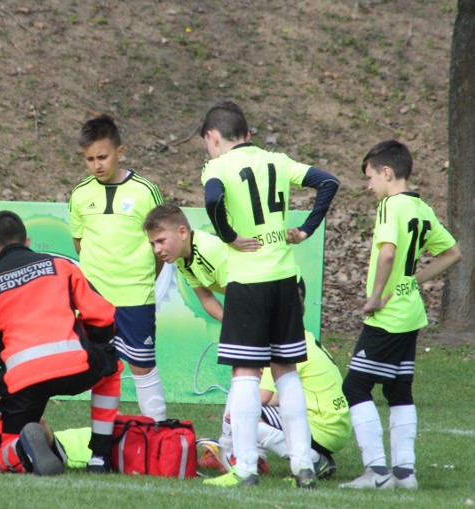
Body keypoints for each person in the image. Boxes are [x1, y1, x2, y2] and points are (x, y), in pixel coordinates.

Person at [144, 204, 349, 479]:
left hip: (280, 287)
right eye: (152, 244)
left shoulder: (210, 250)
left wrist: (247, 330)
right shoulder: (183, 259)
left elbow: (249, 284)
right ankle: (245, 454)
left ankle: (253, 456)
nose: (157, 249)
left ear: (182, 232)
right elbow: (206, 299)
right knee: (247, 374)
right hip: (254, 295)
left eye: (160, 241)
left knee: (256, 372)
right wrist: (234, 325)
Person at [197, 101, 339, 488]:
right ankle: (303, 465)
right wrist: (306, 229)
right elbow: (328, 182)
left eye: (208, 144)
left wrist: (228, 237)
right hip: (285, 280)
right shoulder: (277, 160)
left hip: (249, 281)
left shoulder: (218, 166)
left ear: (214, 138)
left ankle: (243, 469)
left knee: (245, 372)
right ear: (246, 133)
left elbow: (212, 199)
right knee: (286, 371)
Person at [339, 140, 462, 490]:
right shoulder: (421, 208)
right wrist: (414, 281)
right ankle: (405, 475)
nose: (368, 186)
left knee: (355, 387)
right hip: (411, 313)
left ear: (387, 173)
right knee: (398, 390)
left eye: (370, 177)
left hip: (389, 315)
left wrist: (375, 297)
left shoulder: (390, 206)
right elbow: (453, 252)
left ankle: (377, 474)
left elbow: (389, 254)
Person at [0, 211, 122, 475]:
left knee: (4, 448)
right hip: (74, 366)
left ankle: (19, 450)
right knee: (112, 368)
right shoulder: (61, 266)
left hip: (21, 383)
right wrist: (92, 345)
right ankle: (99, 456)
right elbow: (103, 317)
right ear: (27, 241)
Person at [68, 114, 167, 423]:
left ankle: (161, 430)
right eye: (90, 159)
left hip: (136, 296)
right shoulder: (80, 195)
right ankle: (102, 443)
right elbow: (80, 244)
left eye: (103, 156)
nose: (97, 164)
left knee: (142, 366)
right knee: (102, 369)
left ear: (120, 151)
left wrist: (142, 279)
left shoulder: (145, 191)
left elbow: (161, 248)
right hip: (95, 300)